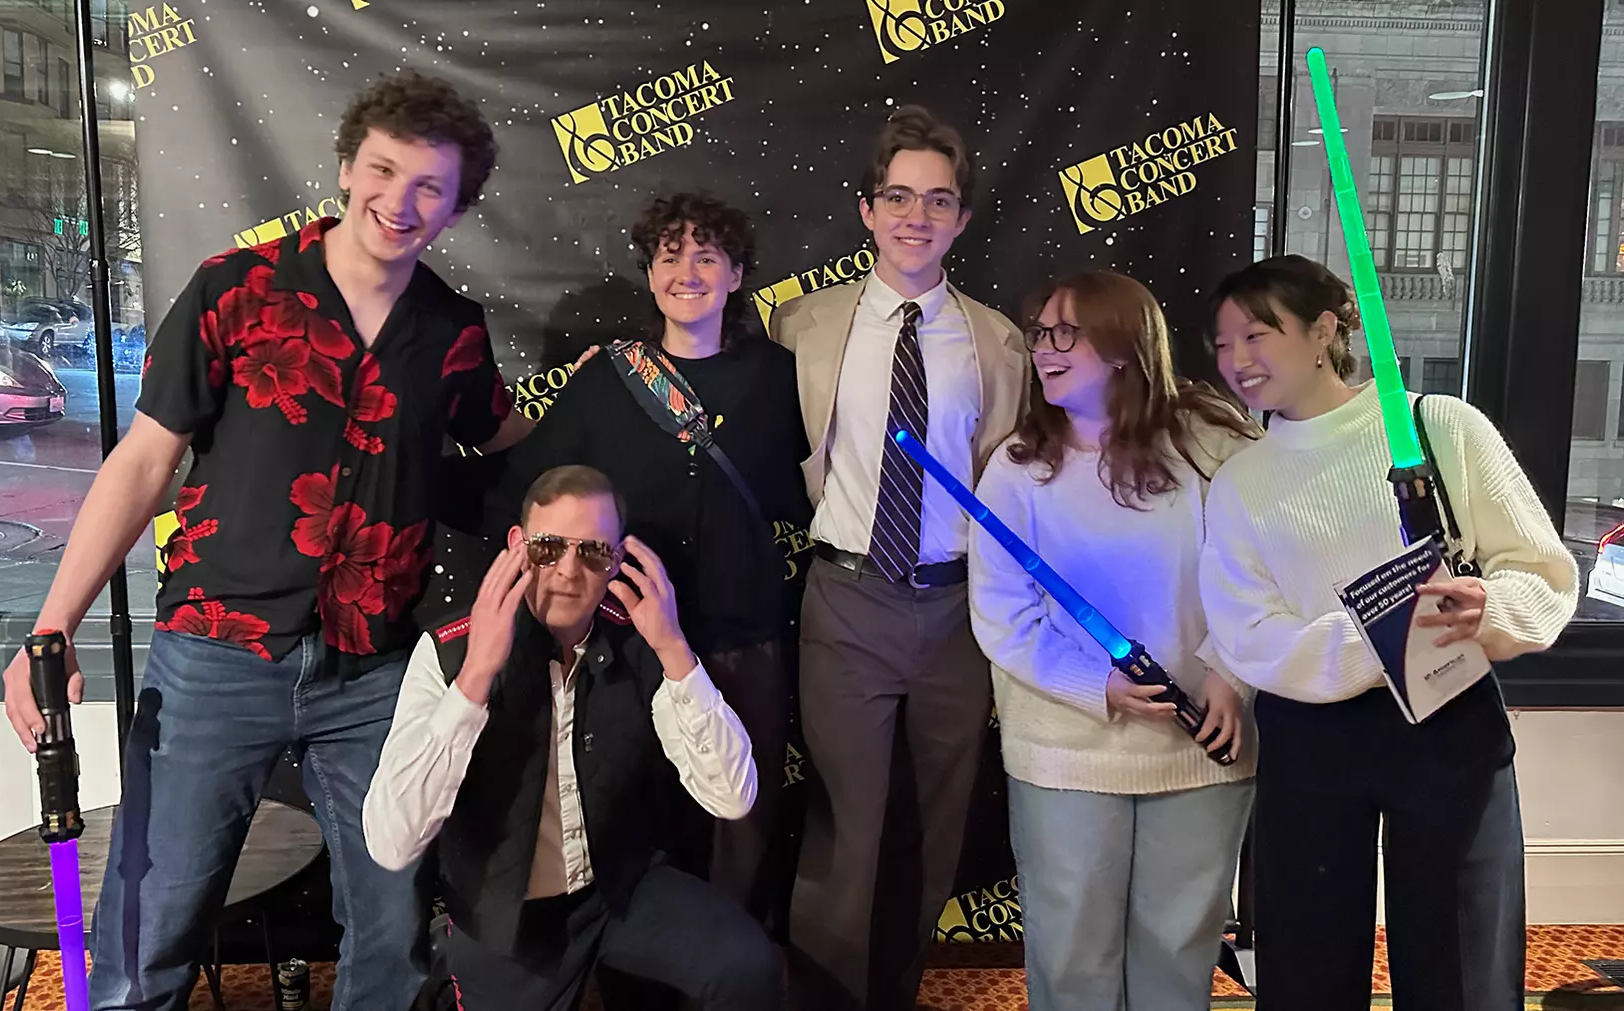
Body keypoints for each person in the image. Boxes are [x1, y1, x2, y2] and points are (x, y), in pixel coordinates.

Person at [0, 72, 534, 1011]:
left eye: (429, 188)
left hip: (373, 674)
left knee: (394, 924)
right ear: (345, 165)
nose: (398, 202)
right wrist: (52, 628)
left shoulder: (452, 332)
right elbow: (142, 463)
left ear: (455, 209)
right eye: (383, 170)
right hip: (212, 659)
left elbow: (516, 450)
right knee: (150, 923)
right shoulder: (235, 290)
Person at [1199, 254, 1577, 1010]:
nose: (1238, 359)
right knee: (1304, 954)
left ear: (1324, 331)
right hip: (1310, 730)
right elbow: (1247, 631)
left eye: (1258, 334)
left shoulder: (1439, 427)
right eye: (1222, 342)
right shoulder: (1243, 477)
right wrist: (1377, 638)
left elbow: (1544, 571)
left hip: (1449, 715)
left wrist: (1487, 608)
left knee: (1462, 955)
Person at [486, 192, 810, 924]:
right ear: (650, 271)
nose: (687, 271)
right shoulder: (608, 379)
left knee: (741, 828)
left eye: (706, 256)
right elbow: (524, 484)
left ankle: (731, 976)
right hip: (625, 650)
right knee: (637, 832)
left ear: (736, 275)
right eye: (671, 255)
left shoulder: (780, 377)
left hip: (741, 642)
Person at [769, 104, 1026, 1011]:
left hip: (958, 610)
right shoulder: (804, 325)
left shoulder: (998, 342)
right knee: (844, 828)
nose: (917, 216)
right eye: (899, 196)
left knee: (933, 827)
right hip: (847, 599)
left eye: (939, 200)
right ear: (868, 210)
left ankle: (897, 993)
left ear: (961, 218)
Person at [365, 465, 784, 1011]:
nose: (567, 571)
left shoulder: (640, 638)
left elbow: (732, 796)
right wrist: (475, 679)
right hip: (508, 912)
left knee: (747, 966)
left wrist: (675, 649)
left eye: (592, 552)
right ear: (517, 546)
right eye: (547, 548)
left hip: (619, 885)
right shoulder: (450, 651)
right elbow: (390, 843)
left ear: (616, 561)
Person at [967, 270, 1259, 1011]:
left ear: (1126, 347)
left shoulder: (1213, 447)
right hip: (1063, 753)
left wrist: (1229, 675)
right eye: (1041, 332)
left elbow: (1259, 577)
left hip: (1201, 749)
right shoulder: (1016, 466)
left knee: (1178, 947)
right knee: (1071, 954)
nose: (1046, 348)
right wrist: (1099, 687)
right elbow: (1003, 614)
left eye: (1070, 332)